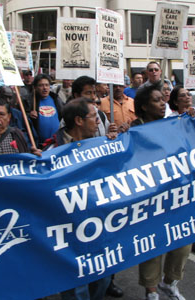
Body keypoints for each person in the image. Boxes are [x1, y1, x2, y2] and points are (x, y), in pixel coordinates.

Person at [45, 98, 115, 299]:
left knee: (103, 278)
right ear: (78, 120)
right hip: (70, 232)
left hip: (98, 226)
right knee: (76, 288)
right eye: (94, 117)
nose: (99, 122)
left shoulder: (99, 144)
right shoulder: (52, 152)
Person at [133, 85, 190, 300]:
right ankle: (151, 291)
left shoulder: (172, 124)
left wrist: (191, 122)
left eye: (163, 99)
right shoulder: (133, 130)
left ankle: (170, 282)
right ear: (145, 106)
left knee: (183, 243)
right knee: (151, 245)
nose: (163, 102)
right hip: (148, 199)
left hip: (174, 195)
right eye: (156, 100)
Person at [30, 74, 63, 143]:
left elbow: (62, 115)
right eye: (41, 85)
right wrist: (29, 115)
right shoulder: (30, 101)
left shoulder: (55, 99)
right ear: (35, 87)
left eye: (47, 85)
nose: (44, 88)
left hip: (55, 143)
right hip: (38, 144)